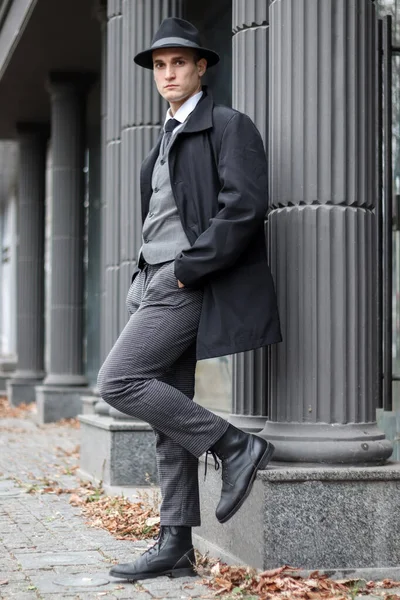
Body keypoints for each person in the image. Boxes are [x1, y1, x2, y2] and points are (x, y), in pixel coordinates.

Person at [98, 17, 281, 582]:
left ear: (202, 67)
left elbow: (244, 206)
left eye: (179, 62)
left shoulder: (228, 126)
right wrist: (149, 273)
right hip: (152, 281)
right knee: (166, 413)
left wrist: (187, 269)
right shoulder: (162, 141)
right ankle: (175, 542)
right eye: (160, 65)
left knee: (118, 381)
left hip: (184, 281)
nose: (168, 73)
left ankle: (233, 446)